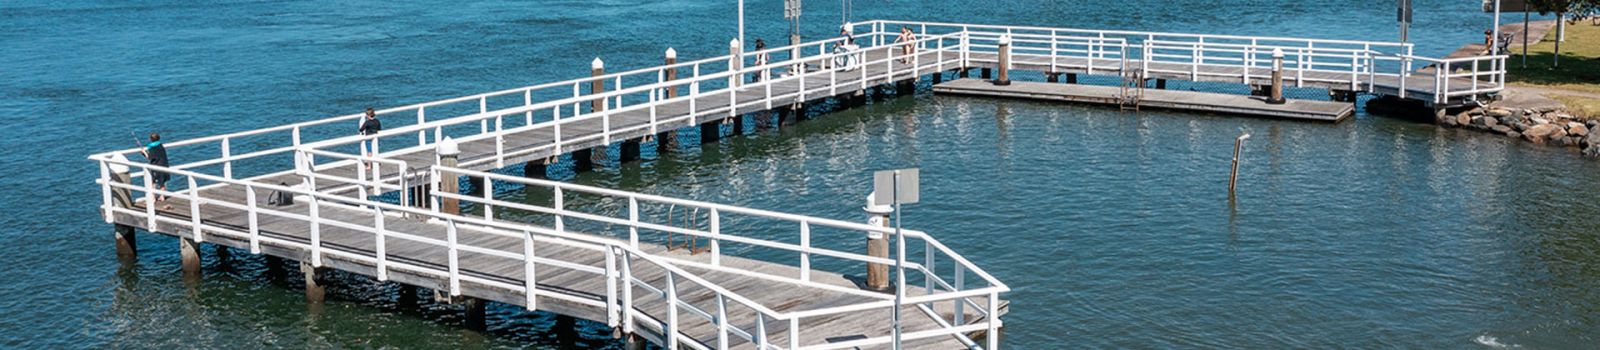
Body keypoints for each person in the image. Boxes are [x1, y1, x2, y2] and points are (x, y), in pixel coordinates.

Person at [140, 132, 173, 210]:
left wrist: (144, 153)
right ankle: (162, 197)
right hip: (164, 164)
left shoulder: (151, 148)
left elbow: (150, 158)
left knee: (154, 182)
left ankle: (153, 198)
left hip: (156, 166)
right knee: (162, 182)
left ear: (151, 139)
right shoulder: (161, 146)